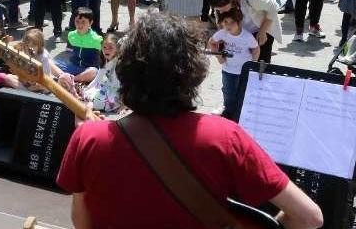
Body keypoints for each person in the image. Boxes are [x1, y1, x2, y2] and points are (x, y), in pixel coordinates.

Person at [57, 13, 324, 229]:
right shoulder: (225, 137)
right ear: (192, 73)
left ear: (126, 71)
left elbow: (82, 223)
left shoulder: (88, 138)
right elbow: (310, 217)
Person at [209, 0, 281, 63]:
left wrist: (263, 31)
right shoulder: (220, 0)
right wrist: (222, 33)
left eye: (222, 8)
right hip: (241, 32)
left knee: (260, 64)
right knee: (239, 63)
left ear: (231, 0)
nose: (221, 12)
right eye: (218, 9)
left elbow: (273, 6)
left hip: (260, 29)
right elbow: (219, 16)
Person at [0, 28, 72, 95]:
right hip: (29, 82)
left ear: (40, 45)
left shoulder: (43, 57)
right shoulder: (25, 51)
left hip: (41, 87)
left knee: (5, 78)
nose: (29, 47)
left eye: (33, 45)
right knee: (3, 76)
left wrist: (29, 84)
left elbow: (44, 81)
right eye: (27, 44)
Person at [208, 7, 259, 119]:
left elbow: (256, 48)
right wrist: (218, 56)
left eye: (232, 22)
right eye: (225, 22)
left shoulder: (247, 36)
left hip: (243, 71)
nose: (228, 25)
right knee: (228, 92)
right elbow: (212, 42)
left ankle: (242, 114)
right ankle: (228, 112)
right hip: (228, 69)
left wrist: (254, 64)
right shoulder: (222, 33)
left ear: (239, 22)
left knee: (243, 93)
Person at [57, 7, 102, 83]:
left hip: (87, 69)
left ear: (90, 23)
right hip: (73, 66)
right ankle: (65, 77)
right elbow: (68, 52)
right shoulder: (71, 35)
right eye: (77, 21)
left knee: (94, 72)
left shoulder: (97, 39)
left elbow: (106, 56)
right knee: (51, 63)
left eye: (83, 22)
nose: (79, 24)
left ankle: (71, 79)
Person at [82, 33, 122, 113]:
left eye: (110, 47)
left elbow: (120, 85)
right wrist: (88, 88)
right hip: (103, 87)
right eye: (104, 47)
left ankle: (90, 108)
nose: (106, 50)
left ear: (117, 49)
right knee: (87, 93)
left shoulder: (119, 63)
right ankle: (91, 105)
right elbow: (98, 79)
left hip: (114, 91)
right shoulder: (104, 61)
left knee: (101, 100)